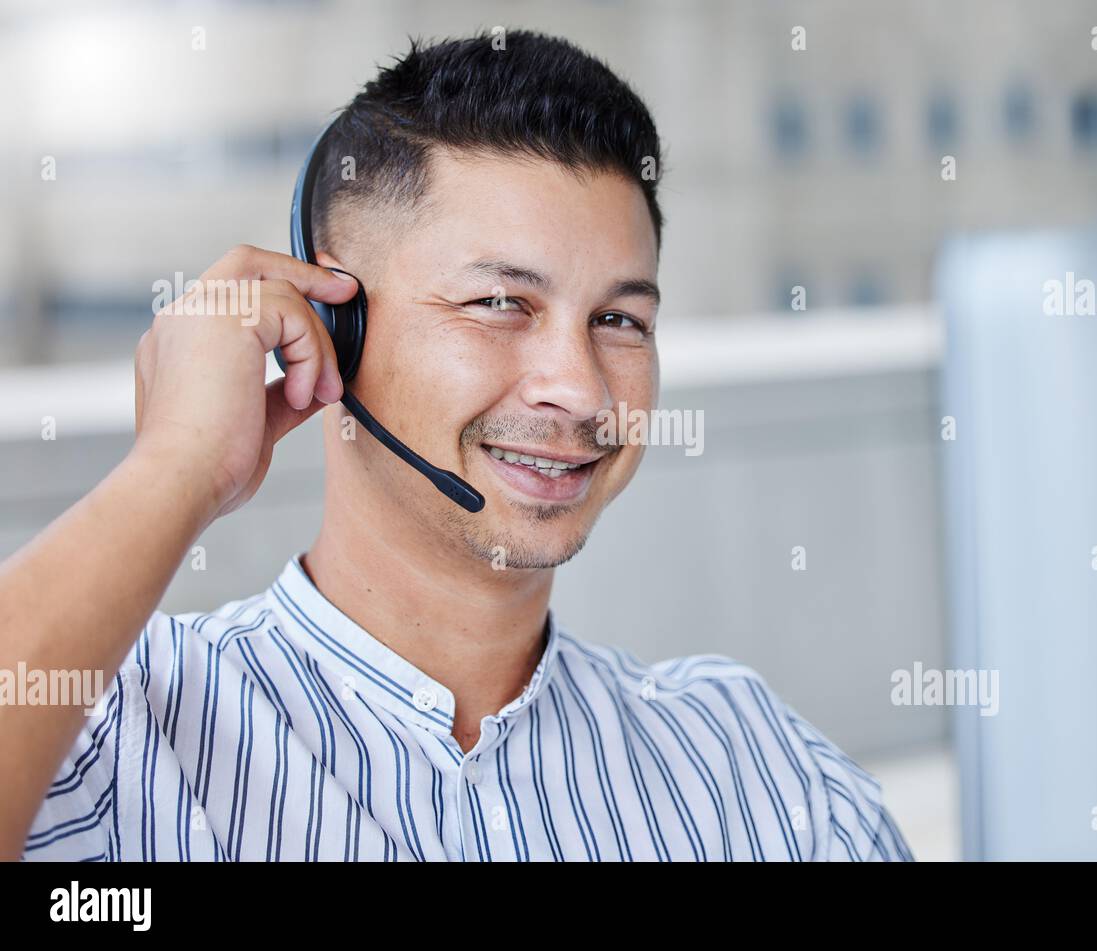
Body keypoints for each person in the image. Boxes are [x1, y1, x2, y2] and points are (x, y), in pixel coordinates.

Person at [2, 30, 911, 862]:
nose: (583, 387)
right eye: (500, 303)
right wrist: (176, 467)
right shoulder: (120, 735)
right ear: (334, 330)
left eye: (619, 319)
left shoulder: (759, 775)